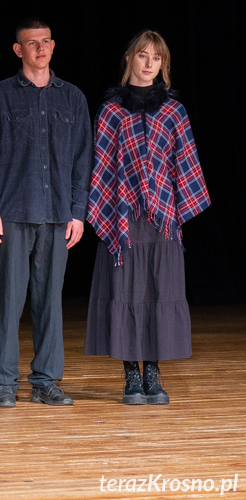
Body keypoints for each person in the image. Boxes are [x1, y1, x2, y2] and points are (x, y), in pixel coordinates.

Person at [85, 30, 209, 405]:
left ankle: (153, 373)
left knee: (159, 292)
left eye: (157, 58)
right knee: (125, 293)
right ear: (129, 59)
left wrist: (172, 208)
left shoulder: (174, 111)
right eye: (143, 55)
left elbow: (184, 164)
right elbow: (102, 167)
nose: (149, 63)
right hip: (122, 221)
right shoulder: (111, 111)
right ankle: (130, 376)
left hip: (162, 219)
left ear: (163, 65)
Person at [0, 18, 92, 407]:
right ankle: (6, 383)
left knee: (50, 301)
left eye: (45, 41)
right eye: (32, 43)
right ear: (19, 50)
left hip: (58, 213)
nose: (40, 48)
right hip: (11, 211)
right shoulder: (0, 94)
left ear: (53, 45)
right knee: (9, 299)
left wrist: (78, 212)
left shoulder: (73, 97)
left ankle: (45, 380)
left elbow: (83, 160)